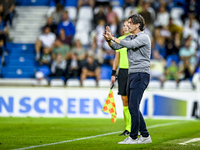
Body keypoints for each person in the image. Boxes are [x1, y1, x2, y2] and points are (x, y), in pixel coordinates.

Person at [103, 14, 152, 144]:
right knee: (133, 106)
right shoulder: (129, 37)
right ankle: (145, 136)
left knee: (132, 106)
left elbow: (130, 45)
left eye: (130, 23)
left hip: (141, 74)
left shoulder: (144, 37)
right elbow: (115, 47)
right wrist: (109, 40)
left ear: (137, 25)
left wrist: (113, 37)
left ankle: (134, 137)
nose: (127, 25)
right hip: (132, 74)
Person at [110, 20, 131, 136]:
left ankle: (134, 126)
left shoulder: (135, 39)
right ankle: (128, 127)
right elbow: (116, 58)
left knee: (133, 100)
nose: (125, 27)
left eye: (127, 25)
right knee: (124, 100)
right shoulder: (119, 39)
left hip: (133, 71)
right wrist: (113, 73)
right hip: (122, 71)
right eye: (123, 26)